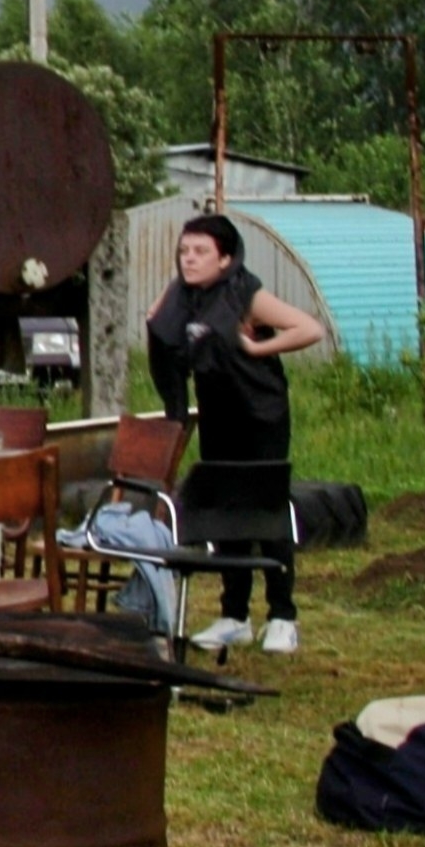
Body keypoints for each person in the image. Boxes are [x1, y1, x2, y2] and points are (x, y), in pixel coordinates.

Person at [144, 213, 324, 656]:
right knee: (225, 507)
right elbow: (161, 327)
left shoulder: (247, 295)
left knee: (265, 506)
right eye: (184, 251)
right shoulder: (185, 296)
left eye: (200, 252)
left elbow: (310, 328)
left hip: (260, 413)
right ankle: (234, 616)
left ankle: (282, 616)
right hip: (217, 412)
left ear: (225, 258)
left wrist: (257, 346)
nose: (189, 259)